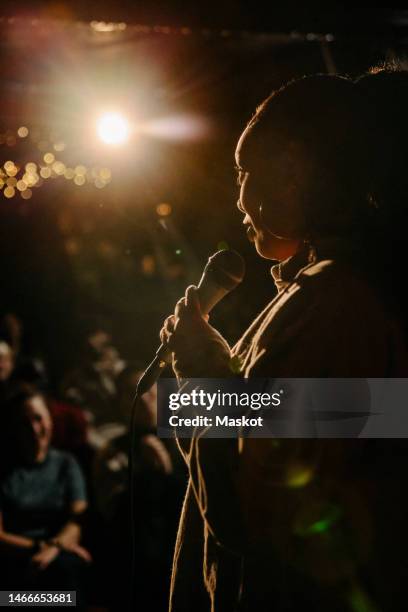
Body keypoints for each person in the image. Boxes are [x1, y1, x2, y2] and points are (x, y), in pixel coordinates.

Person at [159, 74, 408, 611]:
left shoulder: (336, 304)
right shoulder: (339, 293)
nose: (240, 199)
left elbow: (255, 508)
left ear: (293, 171)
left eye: (245, 172)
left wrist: (201, 370)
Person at [0, 388, 91, 598]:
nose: (34, 429)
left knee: (65, 573)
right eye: (25, 423)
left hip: (59, 554)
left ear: (50, 421)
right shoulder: (5, 469)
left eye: (38, 419)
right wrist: (40, 547)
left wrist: (54, 547)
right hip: (15, 556)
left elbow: (79, 518)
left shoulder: (66, 464)